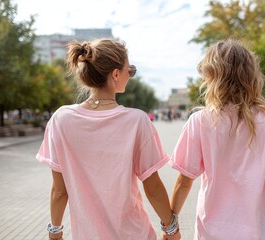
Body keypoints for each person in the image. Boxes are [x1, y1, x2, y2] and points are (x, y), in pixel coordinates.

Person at [36, 39, 180, 240]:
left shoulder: (61, 119)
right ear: (115, 74)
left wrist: (55, 232)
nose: (130, 76)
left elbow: (59, 191)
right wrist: (172, 230)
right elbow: (153, 188)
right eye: (129, 70)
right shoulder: (137, 121)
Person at [168, 39, 265, 240]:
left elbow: (184, 181)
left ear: (212, 77)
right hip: (263, 232)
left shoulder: (200, 122)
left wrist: (170, 228)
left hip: (213, 232)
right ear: (252, 75)